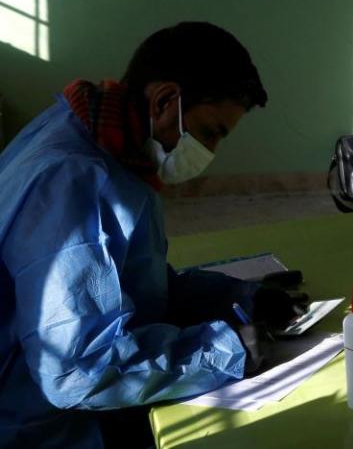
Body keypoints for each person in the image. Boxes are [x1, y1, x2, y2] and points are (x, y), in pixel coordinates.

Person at [0, 22, 303, 448]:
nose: (211, 153)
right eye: (211, 132)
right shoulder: (74, 179)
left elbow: (132, 286)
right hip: (43, 429)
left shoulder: (97, 136)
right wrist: (225, 351)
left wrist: (239, 298)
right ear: (165, 100)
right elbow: (75, 372)